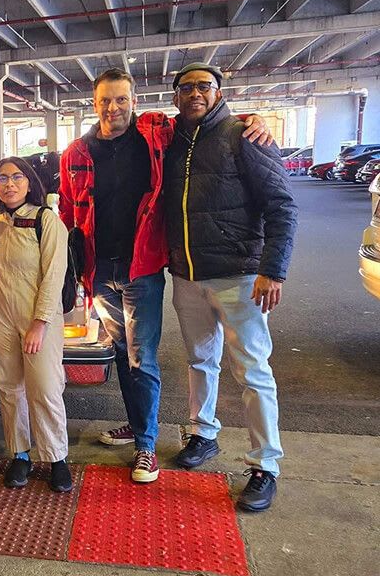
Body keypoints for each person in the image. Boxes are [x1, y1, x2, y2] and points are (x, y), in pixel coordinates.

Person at [59, 68, 272, 484]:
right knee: (122, 353)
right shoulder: (76, 153)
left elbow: (205, 117)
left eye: (121, 99)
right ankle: (140, 424)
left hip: (142, 269)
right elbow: (69, 212)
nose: (113, 107)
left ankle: (146, 445)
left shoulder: (155, 134)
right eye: (105, 100)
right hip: (100, 271)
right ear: (94, 103)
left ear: (134, 102)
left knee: (143, 357)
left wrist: (251, 119)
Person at [163, 62, 297, 512]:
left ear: (220, 91)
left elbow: (281, 205)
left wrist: (273, 270)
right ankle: (204, 434)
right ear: (176, 94)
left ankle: (265, 465)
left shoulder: (244, 135)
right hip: (187, 274)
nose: (195, 93)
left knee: (253, 370)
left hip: (239, 275)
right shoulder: (169, 138)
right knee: (201, 360)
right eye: (187, 87)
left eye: (205, 86)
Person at [0, 156, 72, 493]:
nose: (9, 184)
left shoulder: (46, 221)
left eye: (17, 177)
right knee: (8, 384)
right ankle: (20, 454)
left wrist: (40, 323)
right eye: (2, 178)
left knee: (43, 386)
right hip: (0, 316)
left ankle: (57, 458)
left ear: (30, 183)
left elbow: (54, 276)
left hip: (37, 317)